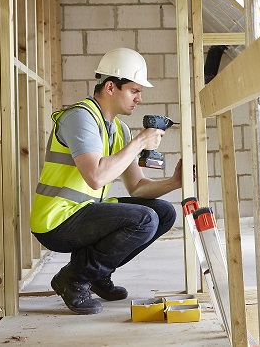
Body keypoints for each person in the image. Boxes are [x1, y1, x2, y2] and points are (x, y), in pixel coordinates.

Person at [30, 47, 183, 315]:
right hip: (56, 220)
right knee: (144, 220)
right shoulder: (80, 117)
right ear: (111, 87)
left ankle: (97, 275)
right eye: (134, 91)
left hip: (84, 214)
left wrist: (174, 182)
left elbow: (138, 186)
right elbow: (96, 176)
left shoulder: (118, 129)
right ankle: (74, 278)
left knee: (164, 212)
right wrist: (139, 143)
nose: (139, 98)